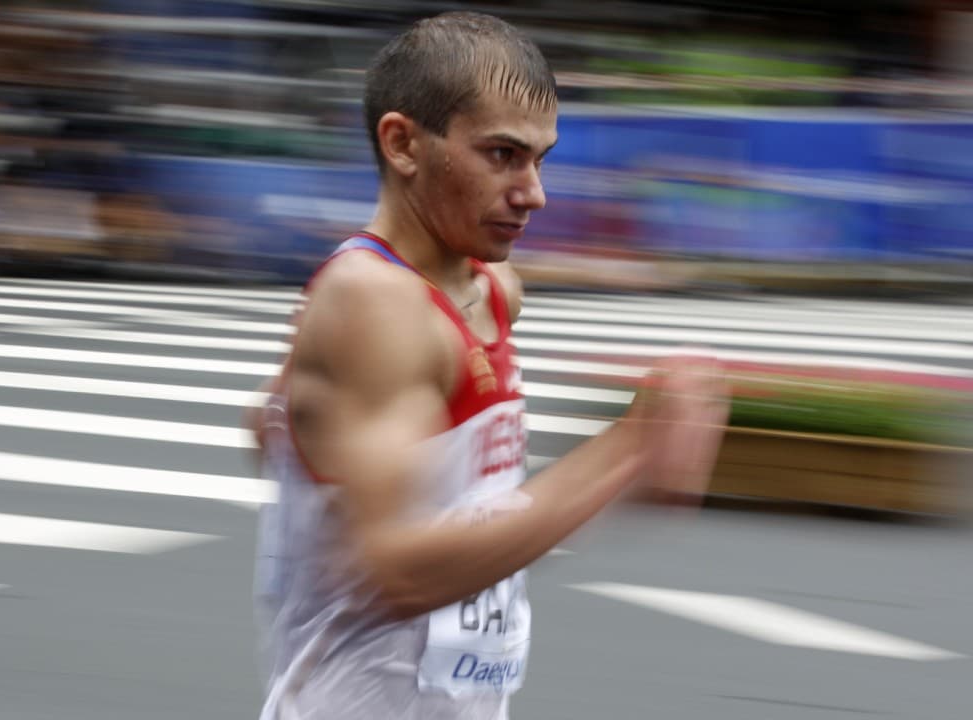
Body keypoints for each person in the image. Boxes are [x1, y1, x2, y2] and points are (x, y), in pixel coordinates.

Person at [249, 11, 729, 719]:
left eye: (540, 159)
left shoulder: (492, 290)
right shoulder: (372, 299)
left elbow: (269, 433)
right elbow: (396, 571)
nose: (533, 192)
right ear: (402, 143)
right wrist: (627, 452)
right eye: (502, 155)